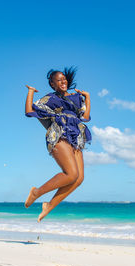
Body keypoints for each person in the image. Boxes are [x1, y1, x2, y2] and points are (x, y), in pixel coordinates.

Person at [24, 66, 91, 222]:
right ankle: (36, 192)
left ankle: (49, 205)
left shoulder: (76, 98)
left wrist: (87, 98)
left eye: (64, 79)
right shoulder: (50, 99)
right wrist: (31, 92)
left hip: (76, 136)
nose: (63, 81)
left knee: (79, 179)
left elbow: (85, 117)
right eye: (59, 80)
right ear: (53, 84)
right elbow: (29, 111)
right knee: (71, 174)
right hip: (59, 134)